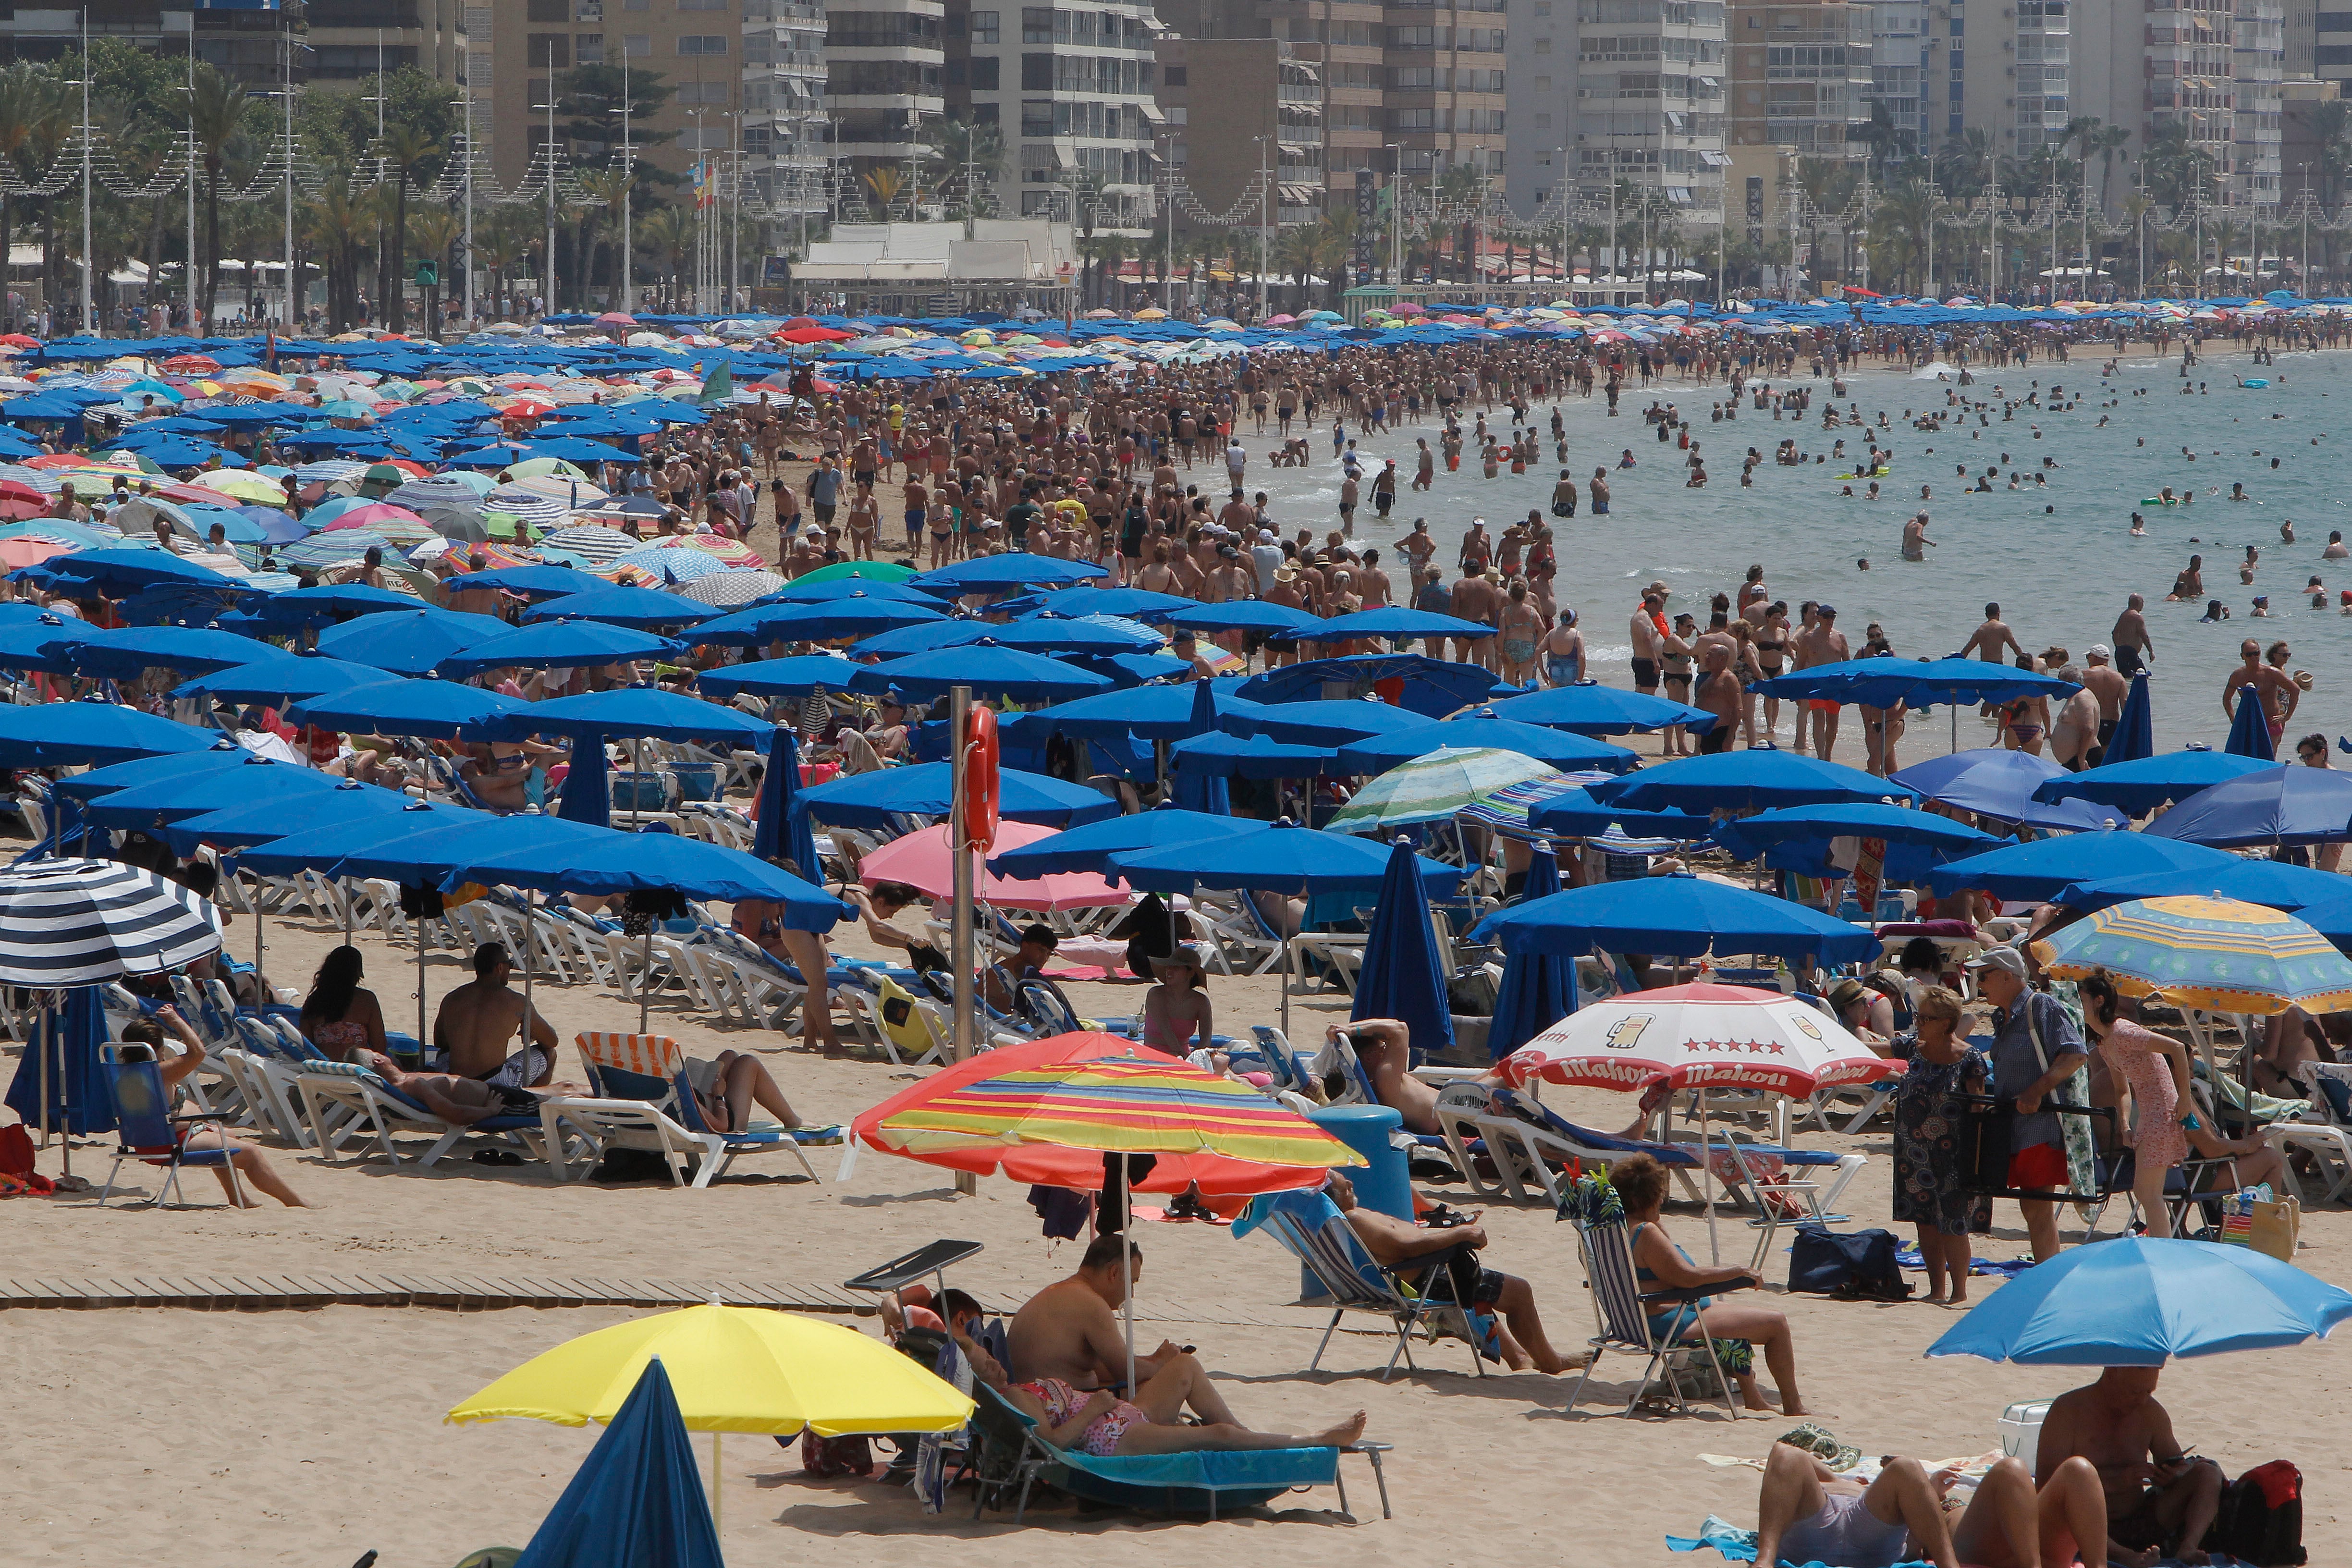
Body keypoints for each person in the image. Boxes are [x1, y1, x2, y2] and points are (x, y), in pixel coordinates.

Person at [2078, 971, 2291, 1233]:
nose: (2077, 1004)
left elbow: (2178, 1048)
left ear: (2098, 1001)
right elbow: (2122, 1089)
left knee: (2149, 1195)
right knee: (2147, 1193)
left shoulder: (2123, 1031)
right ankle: (2164, 1248)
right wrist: (2124, 1125)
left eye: (2081, 998)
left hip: (2162, 1113)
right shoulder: (2105, 1042)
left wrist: (2184, 1100)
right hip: (2149, 1114)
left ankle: (2163, 1251)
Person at [966, 1320, 1367, 1458]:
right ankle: (1318, 1438)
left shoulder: (1017, 1391)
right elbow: (1049, 1445)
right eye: (986, 1363)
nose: (994, 1360)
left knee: (1185, 1365)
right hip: (1111, 1436)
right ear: (979, 1379)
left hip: (1117, 1418)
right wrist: (1093, 1409)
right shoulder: (1016, 1399)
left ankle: (1252, 1440)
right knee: (1218, 1436)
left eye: (991, 1356)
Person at [1323, 1170, 1575, 1373]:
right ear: (1333, 1196)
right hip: (1431, 1278)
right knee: (1519, 1291)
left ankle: (1520, 1358)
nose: (1350, 1183)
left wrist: (1451, 1227)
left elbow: (1404, 1240)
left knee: (1479, 1285)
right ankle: (1553, 1363)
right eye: (1343, 1184)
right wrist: (1460, 1235)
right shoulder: (1354, 1217)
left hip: (1432, 1270)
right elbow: (1404, 1248)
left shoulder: (1352, 1216)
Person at [1615, 1152, 1808, 1414]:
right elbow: (1688, 1278)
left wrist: (1656, 1225)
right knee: (1776, 1323)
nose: (1662, 1199)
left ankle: (1754, 1399)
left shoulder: (1612, 1231)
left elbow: (1641, 1279)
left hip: (1634, 1319)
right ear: (1643, 1198)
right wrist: (1737, 1273)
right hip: (1670, 1320)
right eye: (1659, 1194)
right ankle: (1795, 1407)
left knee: (1744, 1320)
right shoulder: (1644, 1234)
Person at [1753, 1440, 2107, 1568]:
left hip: (1867, 1527)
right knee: (1784, 1453)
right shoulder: (1817, 1480)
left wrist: (1927, 1489)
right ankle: (1765, 1561)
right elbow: (1792, 1458)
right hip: (1822, 1520)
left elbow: (1912, 1500)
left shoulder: (1871, 1484)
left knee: (1907, 1466)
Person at [2036, 1367, 2224, 1568]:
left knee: (2208, 1472)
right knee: (2076, 1479)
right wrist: (2117, 1482)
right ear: (2110, 1375)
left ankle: (2188, 1547)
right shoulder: (2068, 1411)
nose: (2142, 1400)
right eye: (2135, 1392)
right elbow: (2047, 1489)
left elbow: (2176, 1462)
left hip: (2138, 1516)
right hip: (2083, 1527)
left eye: (2149, 1392)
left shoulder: (2151, 1412)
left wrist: (2172, 1475)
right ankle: (2125, 1556)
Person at [1967, 946, 2085, 1262]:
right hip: (2015, 1127)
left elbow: (2075, 1054)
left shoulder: (2040, 1006)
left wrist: (2036, 1092)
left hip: (2041, 1126)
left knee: (2036, 1207)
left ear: (2007, 976)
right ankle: (2045, 1274)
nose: (1980, 984)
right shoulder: (2004, 1017)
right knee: (2032, 1208)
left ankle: (2046, 1276)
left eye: (1984, 976)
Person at [132, 1008, 307, 1207]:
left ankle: (238, 1198)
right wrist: (177, 1021)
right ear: (155, 1049)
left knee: (228, 1135)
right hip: (170, 1142)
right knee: (251, 1154)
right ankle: (295, 1202)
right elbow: (198, 1053)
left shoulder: (125, 1074)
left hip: (149, 1140)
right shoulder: (157, 1072)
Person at [1008, 1234, 1217, 1396]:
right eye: (1132, 1282)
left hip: (1038, 1404)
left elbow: (1106, 1368)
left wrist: (1155, 1359)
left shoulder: (1064, 1292)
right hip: (1064, 1411)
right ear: (1114, 1273)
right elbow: (1127, 1373)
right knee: (1185, 1370)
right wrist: (1163, 1362)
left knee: (1157, 1380)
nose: (1132, 1294)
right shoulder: (1092, 1305)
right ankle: (1233, 1432)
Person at [1888, 986, 1986, 1305]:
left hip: (1955, 1153)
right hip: (1913, 1152)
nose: (1919, 1022)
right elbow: (1877, 1046)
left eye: (1926, 1018)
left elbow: (1979, 1109)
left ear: (1946, 1023)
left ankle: (1959, 1292)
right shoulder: (1913, 1049)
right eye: (1918, 1016)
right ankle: (1936, 1290)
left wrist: (1977, 1158)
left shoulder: (1968, 1058)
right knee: (1925, 1221)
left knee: (1954, 1224)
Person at [432, 941, 558, 1085]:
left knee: (444, 1054)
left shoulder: (452, 998)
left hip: (454, 1079)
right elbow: (552, 1041)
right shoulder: (517, 1002)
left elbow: (440, 1042)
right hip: (494, 1081)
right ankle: (531, 1102)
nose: (510, 970)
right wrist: (533, 1034)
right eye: (509, 965)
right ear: (500, 967)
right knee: (550, 1054)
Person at [297, 943, 389, 1062]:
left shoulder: (314, 1001)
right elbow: (380, 1047)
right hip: (357, 1071)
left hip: (322, 1069)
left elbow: (305, 1046)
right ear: (357, 972)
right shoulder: (367, 1000)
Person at [1140, 945, 1212, 1055]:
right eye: (1168, 967)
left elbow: (1206, 1039)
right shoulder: (1156, 995)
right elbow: (1166, 1031)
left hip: (1184, 1055)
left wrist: (1196, 1058)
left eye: (1176, 968)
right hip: (1152, 1054)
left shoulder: (1201, 1002)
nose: (1169, 970)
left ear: (1190, 973)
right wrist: (1182, 1056)